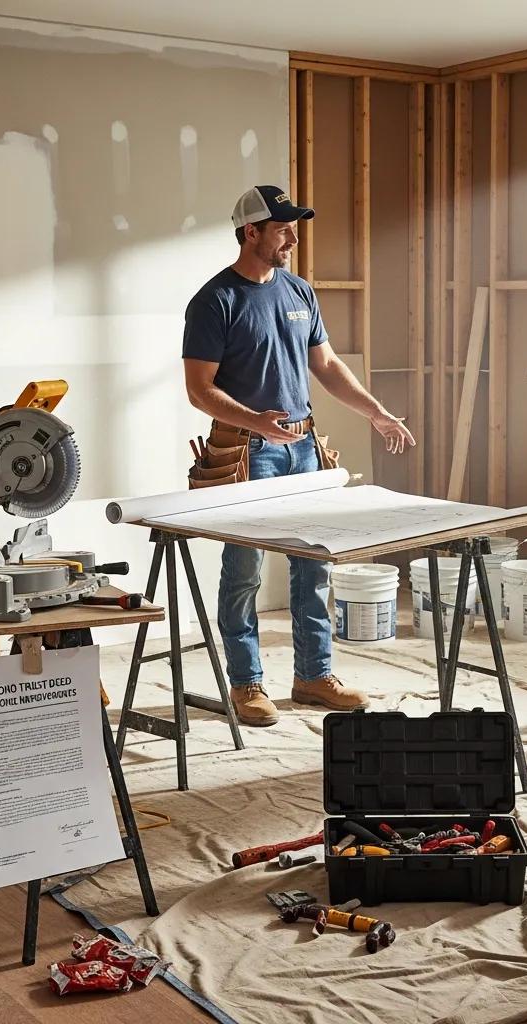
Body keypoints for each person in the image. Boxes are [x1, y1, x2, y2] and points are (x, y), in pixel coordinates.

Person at [182, 185, 415, 727]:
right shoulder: (215, 301)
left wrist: (375, 411)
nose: (292, 235)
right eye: (282, 227)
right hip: (247, 452)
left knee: (313, 568)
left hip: (304, 450)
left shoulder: (298, 292)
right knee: (244, 572)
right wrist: (255, 421)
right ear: (250, 232)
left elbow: (328, 367)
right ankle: (246, 683)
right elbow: (200, 389)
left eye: (293, 225)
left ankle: (313, 675)